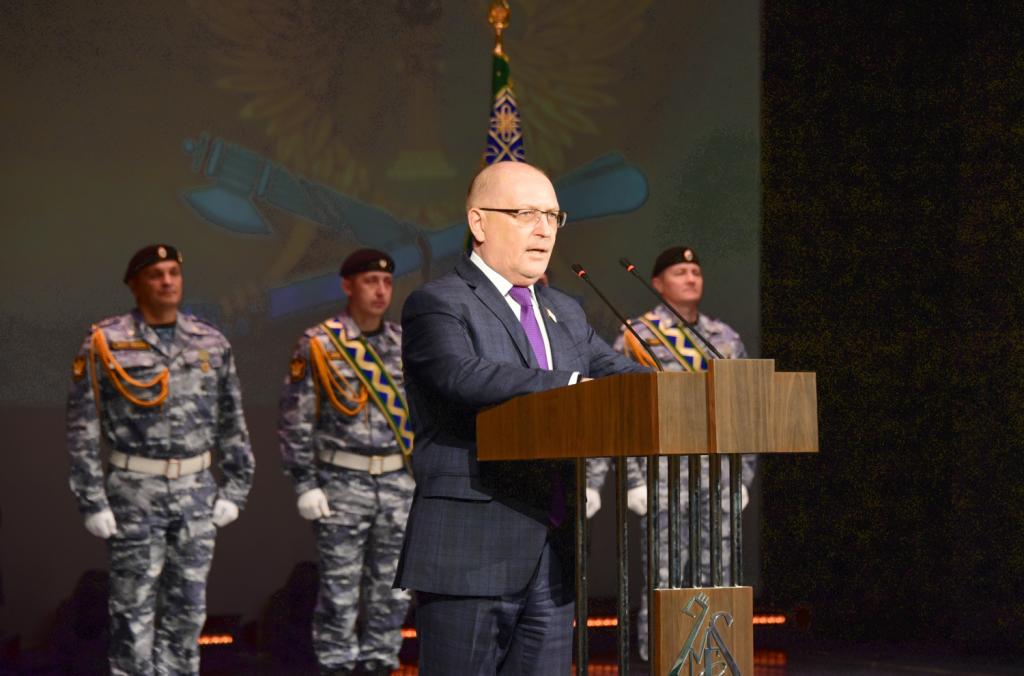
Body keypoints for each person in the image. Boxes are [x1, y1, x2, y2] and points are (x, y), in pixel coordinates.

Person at [394, 160, 646, 675]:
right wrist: (571, 387)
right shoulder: (438, 302)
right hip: (470, 551)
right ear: (479, 222)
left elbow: (618, 373)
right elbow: (460, 376)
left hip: (553, 557)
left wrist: (688, 390)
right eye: (526, 213)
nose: (544, 229)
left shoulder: (565, 310)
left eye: (553, 216)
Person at [66, 244, 254, 676]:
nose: (168, 281)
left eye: (174, 272)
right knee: (132, 611)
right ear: (135, 285)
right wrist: (91, 500)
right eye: (156, 274)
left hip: (195, 491)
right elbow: (82, 426)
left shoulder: (210, 341)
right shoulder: (105, 341)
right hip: (135, 491)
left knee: (188, 611)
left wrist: (236, 488)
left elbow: (232, 419)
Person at [586, 245, 755, 660]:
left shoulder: (724, 338)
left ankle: (715, 660)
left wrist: (743, 476)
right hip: (661, 475)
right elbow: (618, 409)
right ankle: (663, 658)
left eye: (695, 271)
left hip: (716, 475)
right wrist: (632, 479)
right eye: (680, 272)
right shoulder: (637, 335)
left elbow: (746, 409)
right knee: (666, 576)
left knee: (719, 574)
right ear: (658, 283)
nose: (691, 278)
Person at [279, 248, 414, 676]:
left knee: (394, 590)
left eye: (387, 282)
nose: (381, 291)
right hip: (342, 482)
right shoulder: (319, 342)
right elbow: (296, 419)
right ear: (347, 286)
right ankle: (336, 666)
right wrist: (305, 483)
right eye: (371, 281)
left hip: (397, 482)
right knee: (339, 591)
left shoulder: (404, 343)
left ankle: (380, 664)